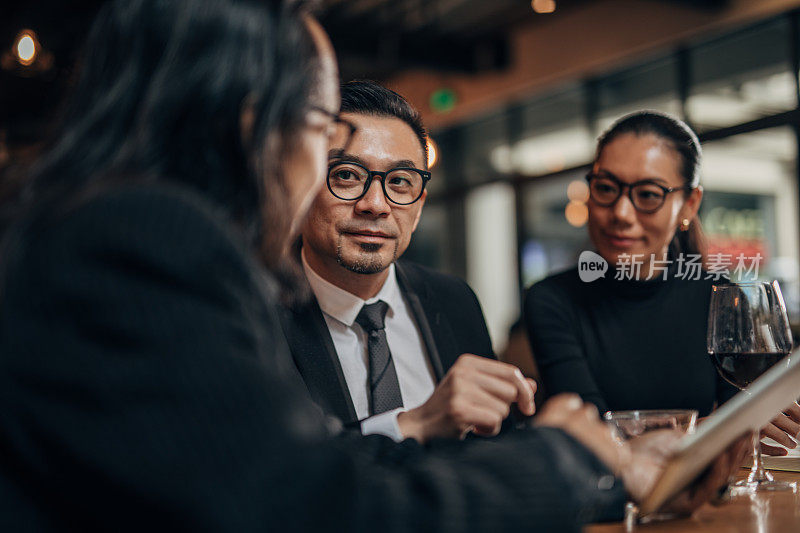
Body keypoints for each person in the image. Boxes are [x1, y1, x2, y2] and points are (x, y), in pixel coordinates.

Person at [0, 3, 744, 530]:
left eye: (399, 182)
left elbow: (316, 472)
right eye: (331, 147)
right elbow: (317, 508)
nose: (369, 202)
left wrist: (592, 462)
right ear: (254, 123)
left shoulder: (98, 227)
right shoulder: (144, 244)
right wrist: (562, 458)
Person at [524, 111, 800, 454]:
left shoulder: (718, 295)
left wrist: (754, 418)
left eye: (648, 194)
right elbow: (590, 438)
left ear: (689, 205)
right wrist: (717, 428)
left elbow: (743, 419)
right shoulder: (551, 300)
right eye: (606, 188)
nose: (621, 213)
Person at [284, 80, 535, 443]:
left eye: (400, 181)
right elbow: (266, 466)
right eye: (347, 175)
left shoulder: (453, 300)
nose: (376, 204)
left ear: (418, 209)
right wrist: (416, 424)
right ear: (302, 187)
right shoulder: (256, 310)